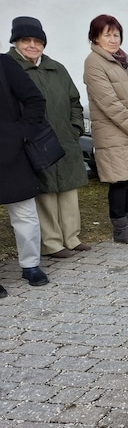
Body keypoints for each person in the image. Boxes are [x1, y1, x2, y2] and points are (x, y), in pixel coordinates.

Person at [8, 16, 90, 258]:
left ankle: (72, 237)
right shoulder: (10, 68)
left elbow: (74, 101)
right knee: (44, 191)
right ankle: (52, 243)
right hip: (32, 140)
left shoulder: (57, 68)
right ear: (16, 42)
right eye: (26, 40)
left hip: (65, 137)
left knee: (68, 189)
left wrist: (75, 128)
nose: (32, 45)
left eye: (37, 41)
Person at [83, 14, 128, 245]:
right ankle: (121, 229)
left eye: (116, 34)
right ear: (95, 38)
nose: (114, 39)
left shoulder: (126, 61)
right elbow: (108, 102)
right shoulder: (93, 62)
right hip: (113, 131)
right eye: (108, 35)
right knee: (119, 181)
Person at [0, 53, 50, 295]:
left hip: (10, 151)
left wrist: (20, 133)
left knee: (24, 214)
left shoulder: (4, 63)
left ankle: (30, 265)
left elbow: (35, 100)